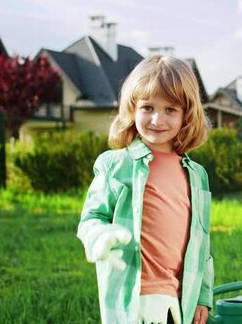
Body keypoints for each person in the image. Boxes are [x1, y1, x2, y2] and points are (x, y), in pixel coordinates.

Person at [77, 55, 214, 324]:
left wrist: (203, 296)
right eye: (148, 107)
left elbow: (203, 243)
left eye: (170, 110)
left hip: (180, 298)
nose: (157, 119)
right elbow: (90, 219)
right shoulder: (116, 166)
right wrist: (100, 236)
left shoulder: (197, 176)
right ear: (132, 108)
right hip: (133, 295)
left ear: (187, 114)